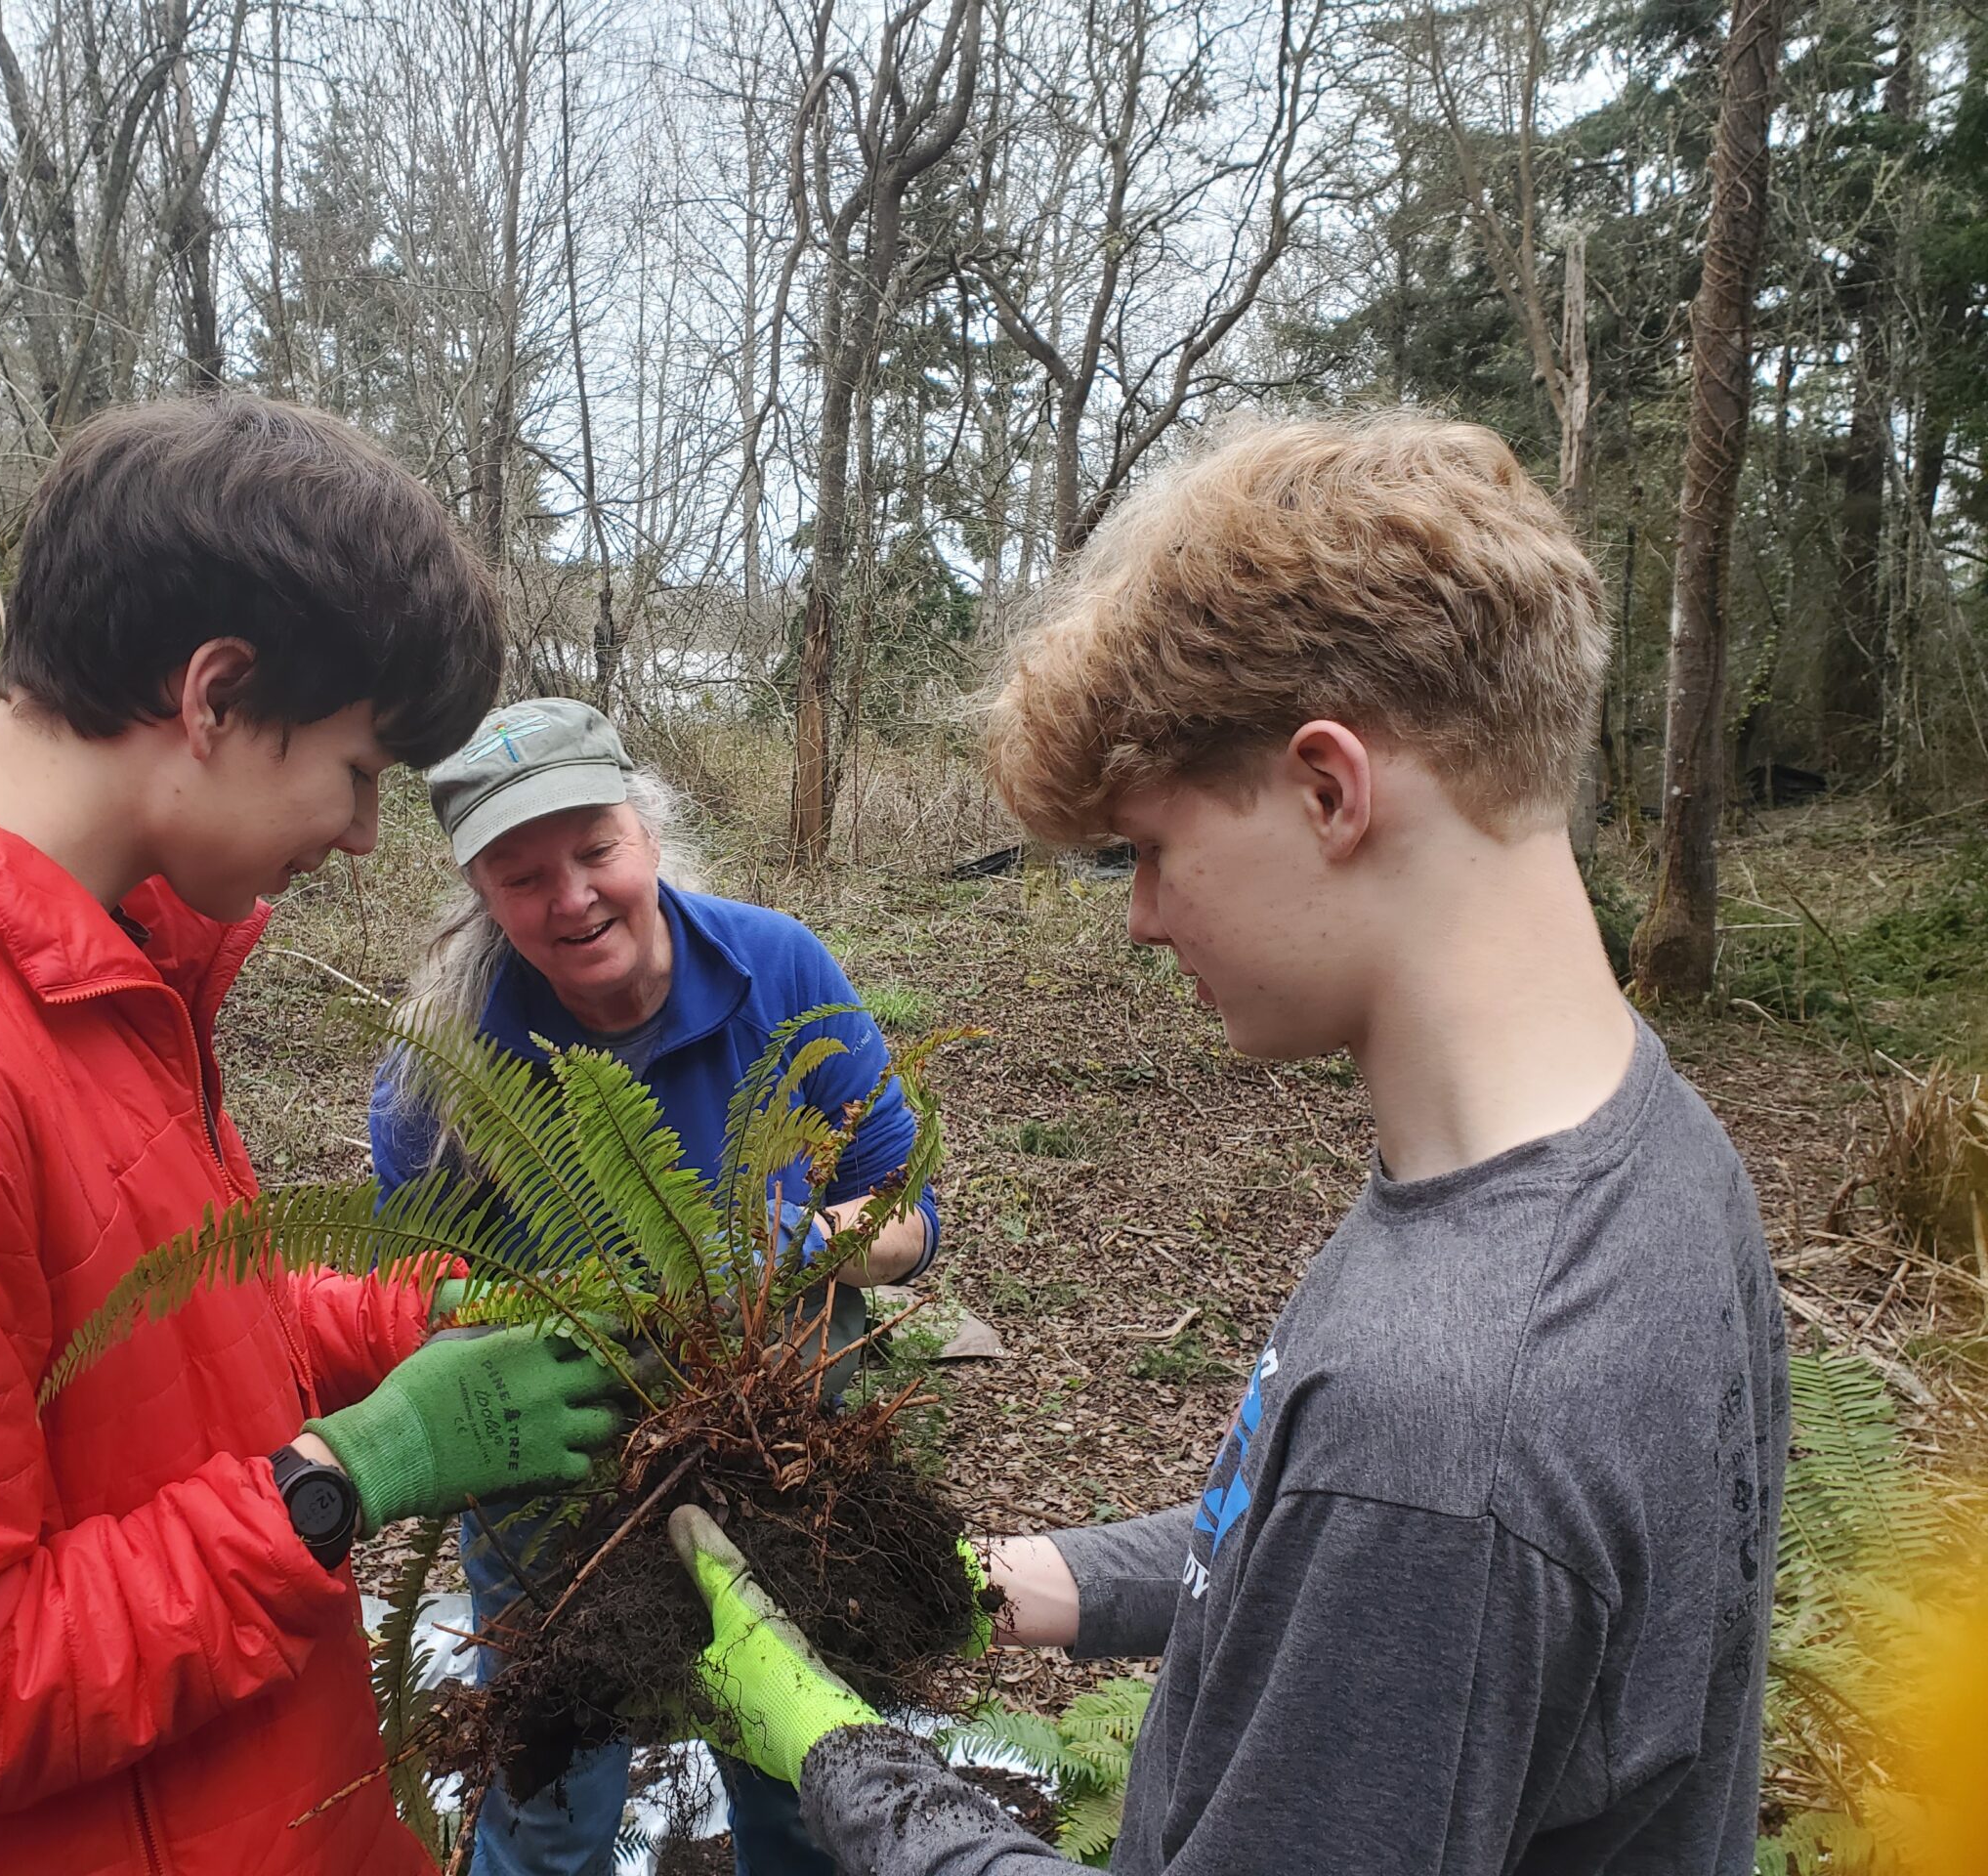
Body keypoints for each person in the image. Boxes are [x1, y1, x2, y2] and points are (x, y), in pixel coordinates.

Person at [665, 415, 1791, 1874]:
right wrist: (1003, 1585)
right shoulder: (1654, 1154)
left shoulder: (1444, 1422)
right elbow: (1295, 1561)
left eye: (1149, 848)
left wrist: (836, 1751)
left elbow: (1390, 1522)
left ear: (1330, 790)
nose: (1141, 916)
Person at [0, 397, 623, 1876]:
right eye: (357, 771)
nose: (356, 836)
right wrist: (347, 1475)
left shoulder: (97, 983)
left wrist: (423, 1315)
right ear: (213, 694)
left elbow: (152, 1336)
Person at [367, 697, 942, 1876]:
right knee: (541, 1800)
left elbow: (908, 1213)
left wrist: (778, 1246)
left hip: (774, 1454)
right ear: (480, 892)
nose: (570, 897)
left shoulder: (777, 969)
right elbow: (421, 1297)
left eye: (593, 851)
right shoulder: (443, 1062)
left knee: (797, 1781)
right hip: (559, 1489)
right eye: (521, 876)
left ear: (650, 833)